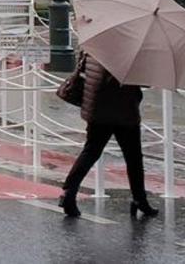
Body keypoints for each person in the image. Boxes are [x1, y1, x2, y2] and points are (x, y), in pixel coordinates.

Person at [59, 52, 159, 218]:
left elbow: (86, 71)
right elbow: (144, 82)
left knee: (91, 151)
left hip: (97, 107)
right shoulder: (131, 51)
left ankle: (69, 192)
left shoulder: (95, 45)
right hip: (124, 110)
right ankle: (140, 200)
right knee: (133, 157)